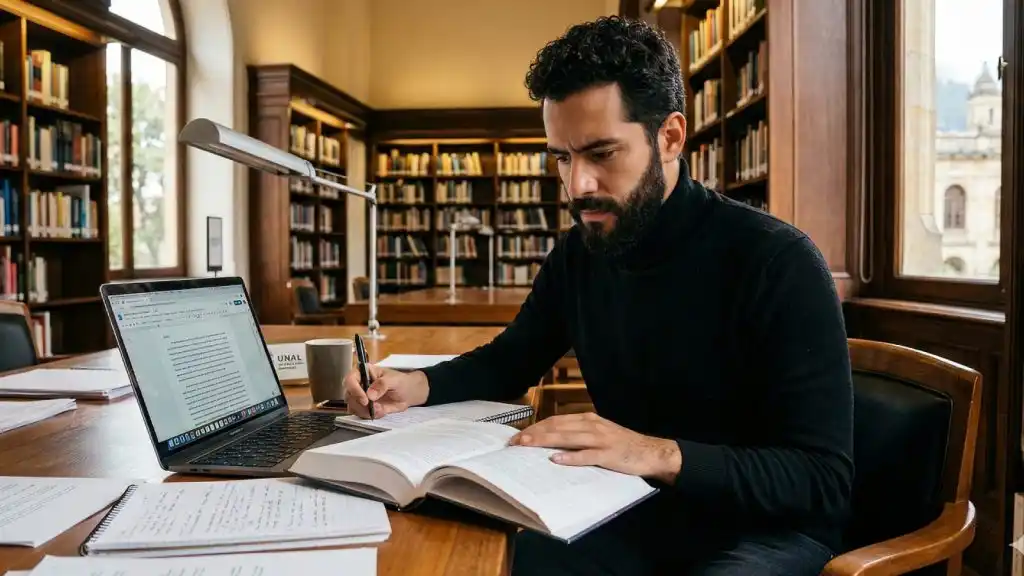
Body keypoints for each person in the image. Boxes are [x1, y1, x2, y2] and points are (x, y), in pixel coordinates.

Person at [343, 15, 853, 576]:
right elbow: (513, 358)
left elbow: (820, 482)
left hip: (761, 531)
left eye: (602, 154)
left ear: (670, 137)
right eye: (562, 157)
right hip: (632, 505)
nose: (577, 184)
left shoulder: (777, 263)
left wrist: (654, 452)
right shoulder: (581, 253)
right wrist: (416, 385)